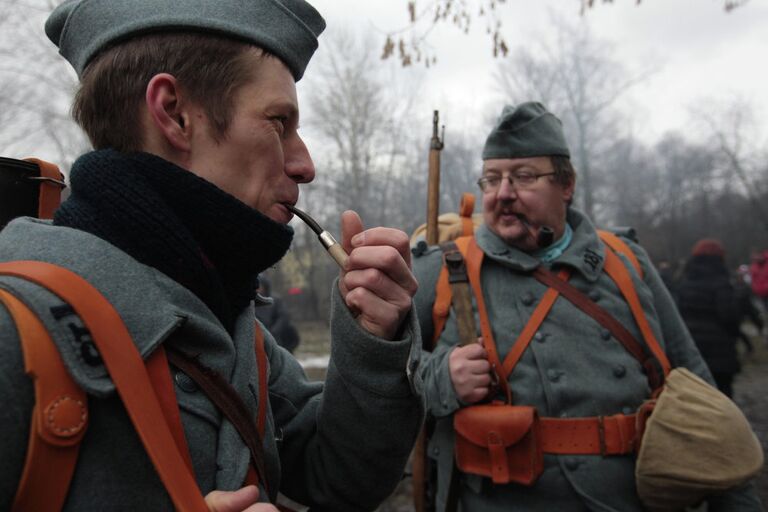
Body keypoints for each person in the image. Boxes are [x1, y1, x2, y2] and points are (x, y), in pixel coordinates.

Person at [0, 1, 424, 511]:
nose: (304, 163)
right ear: (175, 114)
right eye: (278, 122)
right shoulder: (15, 327)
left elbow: (337, 475)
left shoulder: (232, 323)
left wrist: (373, 342)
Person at [412, 102, 761, 511]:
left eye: (524, 176)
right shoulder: (443, 268)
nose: (503, 194)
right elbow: (383, 382)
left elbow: (693, 379)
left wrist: (736, 499)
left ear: (567, 184)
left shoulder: (626, 261)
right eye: (492, 179)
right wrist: (440, 378)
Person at [676, 239, 753, 396]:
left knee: (698, 401)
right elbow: (729, 316)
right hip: (720, 354)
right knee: (723, 399)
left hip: (691, 352)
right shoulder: (722, 283)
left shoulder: (684, 282)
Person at [255, 275, 301, 354]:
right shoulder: (251, 302)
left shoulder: (275, 300)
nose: (258, 288)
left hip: (276, 336)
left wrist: (274, 331)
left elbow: (283, 316)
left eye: (260, 285)